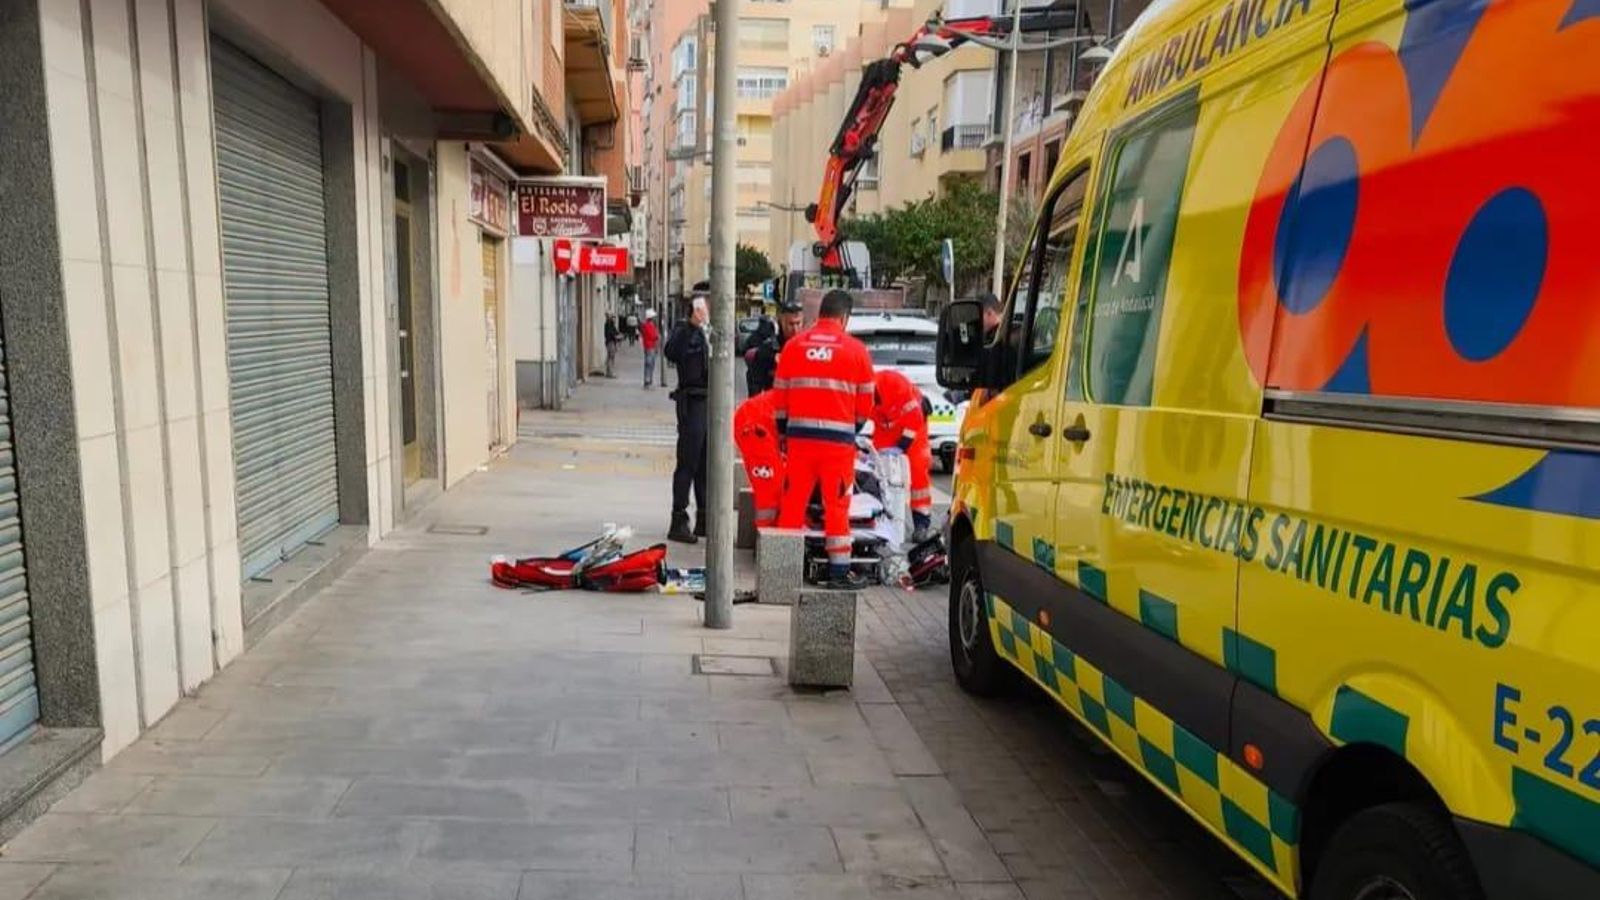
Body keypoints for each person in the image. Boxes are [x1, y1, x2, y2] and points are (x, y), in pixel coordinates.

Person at [772, 289, 875, 589]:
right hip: (837, 445)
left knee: (793, 503)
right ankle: (839, 573)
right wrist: (850, 428)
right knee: (837, 506)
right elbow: (865, 403)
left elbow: (780, 395)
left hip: (800, 441)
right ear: (844, 318)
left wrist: (783, 431)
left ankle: (779, 574)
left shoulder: (795, 346)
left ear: (820, 314)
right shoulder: (856, 350)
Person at [663, 294, 710, 543]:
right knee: (688, 462)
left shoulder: (708, 332)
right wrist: (692, 324)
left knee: (704, 465)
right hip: (691, 403)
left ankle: (704, 517)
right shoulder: (685, 330)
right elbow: (671, 352)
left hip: (708, 402)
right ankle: (678, 518)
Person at [871, 368, 935, 542]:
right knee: (878, 468)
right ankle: (884, 519)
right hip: (886, 428)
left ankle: (921, 523)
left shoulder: (893, 384)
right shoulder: (861, 393)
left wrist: (901, 448)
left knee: (917, 468)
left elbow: (915, 419)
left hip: (914, 423)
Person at [734, 390, 784, 529]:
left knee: (777, 485)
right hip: (754, 425)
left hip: (758, 421)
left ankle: (770, 537)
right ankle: (767, 540)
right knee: (770, 492)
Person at [744, 299, 803, 396]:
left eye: (798, 323)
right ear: (781, 321)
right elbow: (754, 386)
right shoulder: (768, 350)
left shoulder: (808, 350)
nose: (795, 329)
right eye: (791, 324)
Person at [640, 309, 661, 388]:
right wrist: (657, 336)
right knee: (649, 364)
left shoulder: (647, 325)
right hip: (650, 346)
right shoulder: (649, 326)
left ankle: (648, 380)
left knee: (650, 364)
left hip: (648, 346)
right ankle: (648, 380)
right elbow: (653, 336)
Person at [603, 315, 620, 379]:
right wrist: (616, 337)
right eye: (613, 318)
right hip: (610, 342)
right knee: (611, 357)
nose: (614, 320)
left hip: (610, 342)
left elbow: (615, 332)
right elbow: (611, 333)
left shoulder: (610, 324)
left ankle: (608, 372)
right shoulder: (609, 325)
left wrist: (618, 334)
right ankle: (610, 373)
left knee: (609, 357)